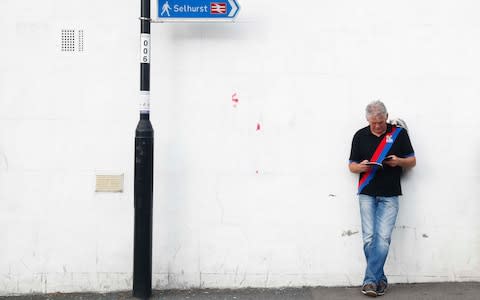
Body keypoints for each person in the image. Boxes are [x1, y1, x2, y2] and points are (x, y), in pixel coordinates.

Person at [348, 100, 416, 297]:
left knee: (383, 238)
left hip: (390, 193)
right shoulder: (360, 136)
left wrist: (398, 162)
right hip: (367, 192)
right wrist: (361, 167)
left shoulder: (398, 134)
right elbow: (351, 165)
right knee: (369, 238)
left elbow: (412, 161)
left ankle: (369, 281)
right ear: (367, 120)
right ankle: (380, 280)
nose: (377, 126)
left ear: (386, 116)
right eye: (373, 122)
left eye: (380, 121)